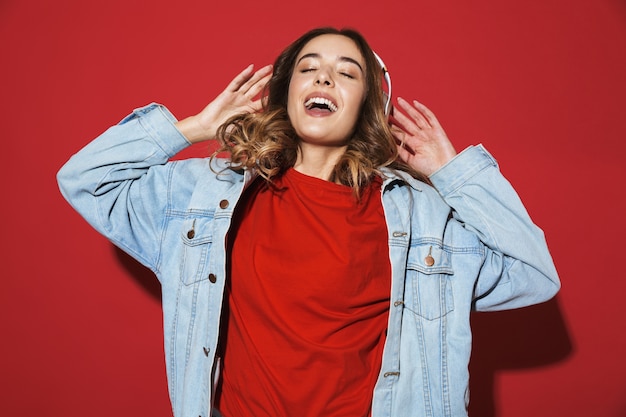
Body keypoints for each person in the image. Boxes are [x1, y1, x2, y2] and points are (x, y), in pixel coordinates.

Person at [57, 27, 560, 417]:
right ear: (286, 90)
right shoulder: (204, 195)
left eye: (347, 72)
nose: (324, 78)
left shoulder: (419, 216)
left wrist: (454, 174)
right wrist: (195, 128)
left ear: (367, 104)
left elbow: (533, 275)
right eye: (309, 67)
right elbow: (84, 179)